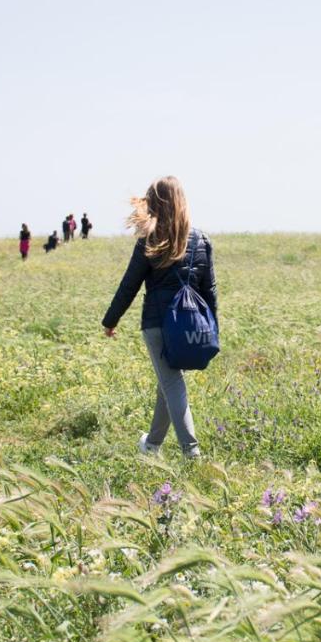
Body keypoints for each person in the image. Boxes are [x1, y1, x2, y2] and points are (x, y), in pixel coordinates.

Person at [102, 176, 216, 460]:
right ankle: (152, 444)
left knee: (171, 382)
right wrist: (211, 328)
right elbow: (208, 289)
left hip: (156, 323)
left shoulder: (150, 240)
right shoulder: (201, 239)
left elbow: (130, 284)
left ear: (156, 204)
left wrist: (110, 320)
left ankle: (192, 452)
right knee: (168, 381)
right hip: (189, 325)